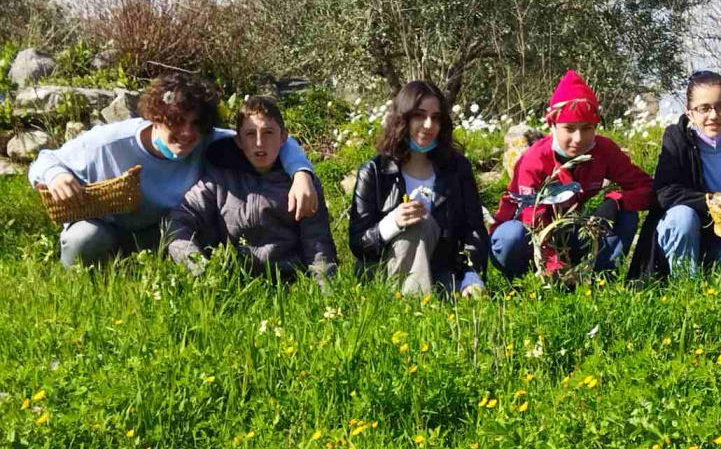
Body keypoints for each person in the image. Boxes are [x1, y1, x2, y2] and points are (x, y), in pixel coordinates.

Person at [28, 73, 319, 267]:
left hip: (161, 232)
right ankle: (80, 284)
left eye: (196, 124)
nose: (187, 133)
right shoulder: (108, 142)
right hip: (106, 226)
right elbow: (43, 160)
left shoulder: (206, 140)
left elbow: (272, 137)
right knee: (85, 239)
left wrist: (301, 174)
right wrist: (57, 175)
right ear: (155, 118)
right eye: (176, 122)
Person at [490, 70, 653, 280]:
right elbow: (532, 219)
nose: (578, 138)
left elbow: (647, 188)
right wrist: (556, 270)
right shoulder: (535, 159)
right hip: (523, 238)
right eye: (569, 128)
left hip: (569, 231)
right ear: (552, 125)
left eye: (587, 128)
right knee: (512, 236)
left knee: (626, 214)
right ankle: (526, 282)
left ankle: (601, 279)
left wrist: (615, 202)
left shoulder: (604, 150)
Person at [166, 96, 336, 281]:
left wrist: (326, 294)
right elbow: (179, 220)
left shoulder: (302, 186)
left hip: (290, 283)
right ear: (238, 140)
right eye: (250, 134)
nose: (259, 143)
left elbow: (318, 245)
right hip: (233, 285)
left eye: (268, 132)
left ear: (283, 137)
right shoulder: (219, 180)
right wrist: (198, 268)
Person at [348, 80, 487, 297]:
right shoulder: (374, 172)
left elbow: (474, 230)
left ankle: (412, 306)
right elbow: (358, 244)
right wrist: (392, 223)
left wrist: (472, 275)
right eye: (420, 116)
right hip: (384, 273)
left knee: (421, 224)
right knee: (414, 226)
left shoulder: (457, 168)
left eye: (435, 117)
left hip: (442, 270)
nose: (429, 125)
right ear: (403, 118)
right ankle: (411, 307)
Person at [629, 71, 721, 279]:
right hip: (682, 229)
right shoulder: (677, 140)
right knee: (682, 216)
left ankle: (713, 286)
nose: (713, 115)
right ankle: (685, 284)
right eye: (704, 108)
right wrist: (711, 201)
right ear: (690, 113)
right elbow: (665, 192)